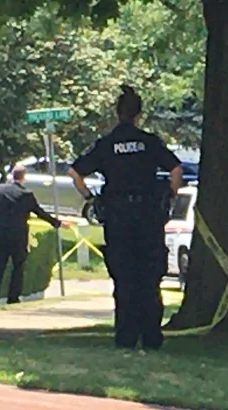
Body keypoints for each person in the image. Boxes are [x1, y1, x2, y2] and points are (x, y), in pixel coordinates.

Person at [68, 84, 183, 350]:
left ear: (117, 114)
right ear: (138, 114)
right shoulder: (149, 142)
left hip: (118, 217)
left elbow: (75, 172)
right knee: (149, 276)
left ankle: (125, 336)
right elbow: (176, 169)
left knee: (124, 277)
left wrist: (91, 198)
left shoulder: (107, 144)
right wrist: (169, 198)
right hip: (148, 217)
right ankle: (151, 335)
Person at [0, 165, 65, 307]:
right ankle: (13, 297)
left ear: (12, 176)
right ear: (24, 178)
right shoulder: (26, 194)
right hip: (18, 236)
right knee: (18, 266)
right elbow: (40, 212)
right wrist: (57, 223)